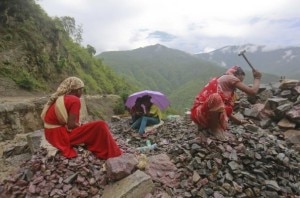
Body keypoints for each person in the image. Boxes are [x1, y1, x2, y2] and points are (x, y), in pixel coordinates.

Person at [40, 76, 122, 159]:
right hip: (60, 137)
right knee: (101, 125)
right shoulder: (74, 100)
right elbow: (71, 125)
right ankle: (113, 152)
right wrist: (82, 126)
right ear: (77, 90)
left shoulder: (62, 98)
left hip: (51, 135)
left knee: (91, 127)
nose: (82, 92)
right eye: (82, 89)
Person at [190, 66, 262, 140]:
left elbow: (222, 108)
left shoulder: (229, 91)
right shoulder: (229, 77)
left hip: (204, 116)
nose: (238, 83)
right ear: (235, 75)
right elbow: (252, 92)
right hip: (200, 114)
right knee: (215, 97)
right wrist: (257, 78)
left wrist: (238, 121)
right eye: (239, 80)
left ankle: (210, 125)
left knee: (223, 102)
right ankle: (214, 128)